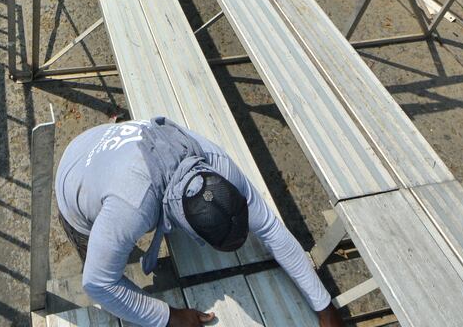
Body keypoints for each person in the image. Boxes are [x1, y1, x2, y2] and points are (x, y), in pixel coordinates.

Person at [56, 117, 345, 327]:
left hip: (111, 144)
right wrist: (170, 317)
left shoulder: (217, 164)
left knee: (117, 243)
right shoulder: (132, 206)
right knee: (108, 269)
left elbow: (269, 229)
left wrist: (324, 306)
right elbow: (97, 284)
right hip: (75, 172)